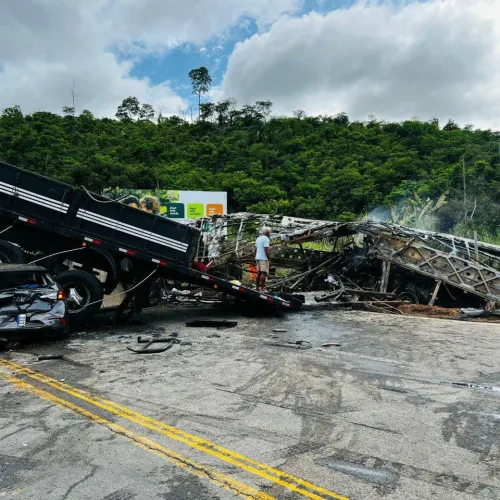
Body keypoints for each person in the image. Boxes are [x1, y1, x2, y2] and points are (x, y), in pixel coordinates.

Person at [255, 227, 271, 292]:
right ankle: (262, 289)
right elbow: (266, 250)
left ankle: (257, 288)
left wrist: (256, 255)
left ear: (263, 233)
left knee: (258, 273)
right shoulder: (266, 239)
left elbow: (255, 249)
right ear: (268, 234)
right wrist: (269, 259)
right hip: (263, 258)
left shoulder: (258, 238)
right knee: (264, 273)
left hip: (257, 257)